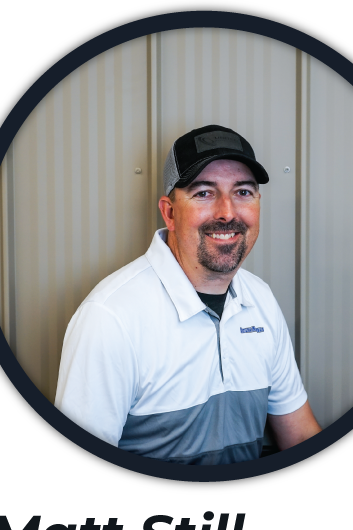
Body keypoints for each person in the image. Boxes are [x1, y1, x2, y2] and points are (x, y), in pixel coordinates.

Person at [55, 125, 321, 464]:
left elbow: (299, 435)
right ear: (169, 212)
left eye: (243, 192)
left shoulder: (261, 300)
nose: (227, 212)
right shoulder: (110, 318)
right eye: (204, 193)